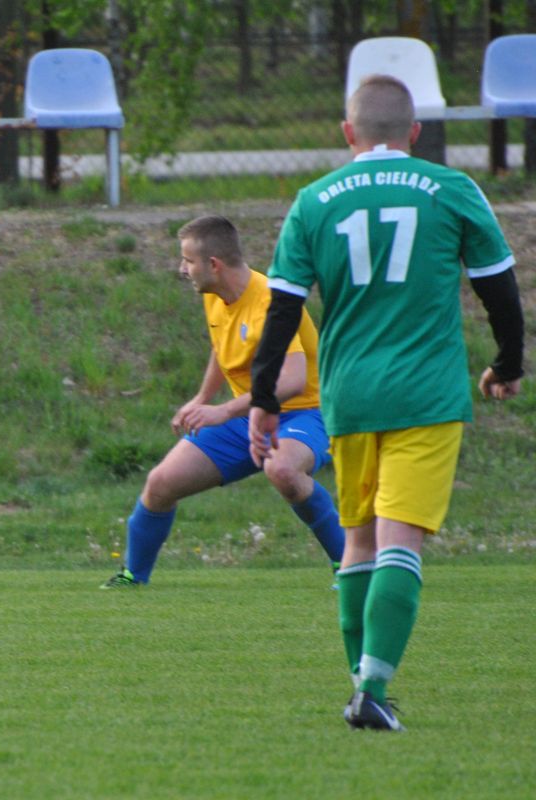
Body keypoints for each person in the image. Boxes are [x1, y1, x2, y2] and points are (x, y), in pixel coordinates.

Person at [248, 75, 525, 731]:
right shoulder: (452, 189)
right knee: (401, 539)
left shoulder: (313, 200)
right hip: (426, 393)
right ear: (416, 133)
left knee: (360, 542)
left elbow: (282, 308)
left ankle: (360, 689)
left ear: (349, 132)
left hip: (348, 395)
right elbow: (499, 287)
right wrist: (509, 362)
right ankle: (372, 689)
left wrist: (262, 396)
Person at [101, 215, 344, 589]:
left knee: (283, 470)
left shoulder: (271, 302)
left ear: (213, 264)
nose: (182, 269)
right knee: (161, 483)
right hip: (248, 414)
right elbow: (223, 347)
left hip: (305, 413)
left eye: (188, 260)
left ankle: (350, 565)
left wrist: (224, 410)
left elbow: (293, 380)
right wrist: (202, 398)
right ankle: (133, 577)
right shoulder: (217, 295)